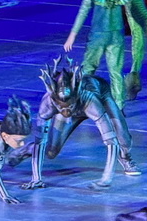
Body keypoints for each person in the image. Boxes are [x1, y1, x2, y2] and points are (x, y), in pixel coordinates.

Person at [18, 57, 140, 191]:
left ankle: (125, 157)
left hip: (101, 99)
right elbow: (40, 140)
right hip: (74, 108)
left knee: (123, 140)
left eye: (68, 106)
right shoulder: (49, 102)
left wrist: (106, 179)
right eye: (61, 107)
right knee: (51, 152)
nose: (66, 110)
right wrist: (36, 178)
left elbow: (111, 141)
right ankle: (26, 150)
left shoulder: (90, 100)